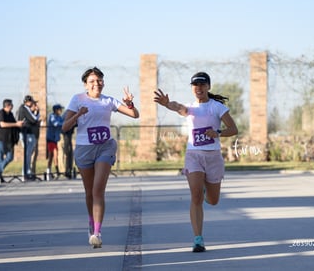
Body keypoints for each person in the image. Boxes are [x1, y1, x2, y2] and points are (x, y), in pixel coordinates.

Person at [154, 72, 238, 252]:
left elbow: (233, 129)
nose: (198, 88)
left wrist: (218, 133)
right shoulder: (190, 108)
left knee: (213, 201)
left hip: (213, 157)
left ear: (208, 86)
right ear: (192, 88)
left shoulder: (217, 107)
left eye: (202, 84)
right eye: (195, 85)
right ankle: (198, 239)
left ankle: (207, 189)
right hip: (194, 155)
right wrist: (168, 104)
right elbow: (179, 107)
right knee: (196, 196)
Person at [62, 66, 139, 249]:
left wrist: (129, 104)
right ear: (85, 84)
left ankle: (97, 232)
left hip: (105, 148)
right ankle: (91, 221)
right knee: (89, 193)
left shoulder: (109, 101)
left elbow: (135, 115)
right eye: (92, 81)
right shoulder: (77, 99)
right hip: (84, 149)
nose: (96, 84)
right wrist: (78, 115)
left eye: (99, 80)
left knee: (98, 190)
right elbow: (65, 127)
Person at [0, 99, 24, 179]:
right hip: (0, 138)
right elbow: (2, 124)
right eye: (11, 105)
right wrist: (15, 124)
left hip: (9, 140)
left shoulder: (10, 114)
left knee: (10, 157)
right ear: (7, 105)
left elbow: (15, 124)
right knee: (0, 156)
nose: (12, 106)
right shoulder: (1, 113)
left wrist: (19, 124)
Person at [17, 95, 41, 179]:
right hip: (25, 133)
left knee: (28, 154)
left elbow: (34, 119)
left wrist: (36, 112)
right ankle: (25, 173)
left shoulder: (26, 109)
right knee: (27, 154)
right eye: (32, 102)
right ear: (28, 102)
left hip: (29, 133)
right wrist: (36, 113)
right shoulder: (24, 108)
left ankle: (27, 171)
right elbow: (34, 119)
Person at [46, 104, 64, 180]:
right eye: (60, 109)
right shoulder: (52, 116)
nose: (61, 111)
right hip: (51, 138)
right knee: (52, 155)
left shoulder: (60, 117)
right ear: (56, 110)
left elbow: (63, 122)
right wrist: (64, 124)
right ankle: (48, 171)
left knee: (55, 155)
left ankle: (56, 171)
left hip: (56, 139)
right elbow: (55, 124)